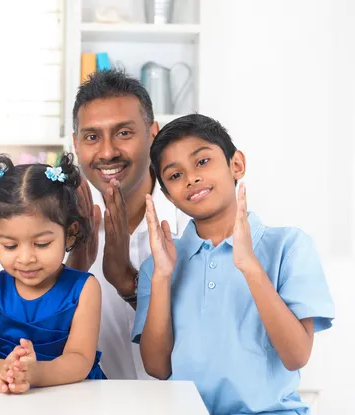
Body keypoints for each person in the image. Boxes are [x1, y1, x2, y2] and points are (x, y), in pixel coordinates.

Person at [134, 114, 335, 414]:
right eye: (175, 175)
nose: (191, 178)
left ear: (236, 164)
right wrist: (163, 276)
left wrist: (249, 265)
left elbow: (296, 356)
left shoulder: (290, 246)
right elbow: (158, 367)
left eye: (202, 162)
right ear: (167, 196)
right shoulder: (160, 264)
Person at [68, 69, 190, 379]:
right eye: (92, 137)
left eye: (124, 133)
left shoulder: (195, 224)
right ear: (76, 144)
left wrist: (129, 284)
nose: (107, 152)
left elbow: (211, 341)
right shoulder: (60, 235)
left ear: (153, 135)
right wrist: (71, 272)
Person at [0, 153, 104, 394]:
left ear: (69, 234)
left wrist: (34, 373)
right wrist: (4, 372)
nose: (26, 258)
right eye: (10, 245)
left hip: (73, 400)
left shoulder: (85, 289)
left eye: (41, 244)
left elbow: (80, 359)